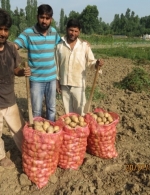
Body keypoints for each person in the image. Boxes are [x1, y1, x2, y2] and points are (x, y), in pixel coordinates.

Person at [14, 4, 61, 121]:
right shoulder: (28, 33)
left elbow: (63, 45)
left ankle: (51, 136)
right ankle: (38, 137)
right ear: (37, 17)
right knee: (36, 110)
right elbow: (14, 46)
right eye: (42, 17)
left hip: (51, 78)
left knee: (52, 108)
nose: (44, 21)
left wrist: (82, 41)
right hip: (36, 80)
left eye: (47, 18)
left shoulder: (54, 32)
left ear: (51, 19)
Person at [0, 8, 31, 169]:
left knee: (20, 129)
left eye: (5, 29)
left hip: (9, 97)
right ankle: (1, 157)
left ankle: (27, 150)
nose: (3, 33)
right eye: (0, 29)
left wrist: (22, 72)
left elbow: (15, 70)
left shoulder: (11, 48)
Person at [55, 19, 104, 116]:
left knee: (81, 112)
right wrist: (57, 81)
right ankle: (71, 131)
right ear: (66, 29)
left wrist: (97, 64)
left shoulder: (84, 46)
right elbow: (56, 65)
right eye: (71, 30)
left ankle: (82, 131)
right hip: (64, 84)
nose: (73, 33)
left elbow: (91, 62)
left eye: (76, 31)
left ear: (79, 32)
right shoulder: (59, 46)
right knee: (68, 113)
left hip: (78, 84)